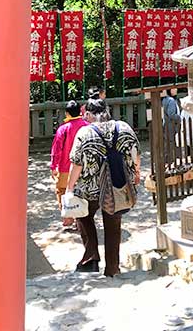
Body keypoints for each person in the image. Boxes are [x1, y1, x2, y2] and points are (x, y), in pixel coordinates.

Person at [66, 98, 140, 277]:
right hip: (117, 185)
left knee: (83, 216)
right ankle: (112, 269)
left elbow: (76, 163)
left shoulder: (84, 133)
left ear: (89, 114)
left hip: (90, 188)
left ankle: (91, 258)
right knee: (113, 223)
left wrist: (69, 188)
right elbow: (136, 154)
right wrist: (136, 173)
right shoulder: (124, 128)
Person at [51, 100, 86, 231]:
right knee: (81, 193)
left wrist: (53, 166)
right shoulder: (87, 126)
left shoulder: (63, 129)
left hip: (66, 167)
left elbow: (57, 149)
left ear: (67, 113)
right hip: (84, 167)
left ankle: (68, 216)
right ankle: (80, 220)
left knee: (62, 190)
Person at [161, 88, 181, 161]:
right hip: (171, 125)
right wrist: (180, 117)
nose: (176, 90)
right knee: (172, 142)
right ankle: (171, 159)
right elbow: (171, 114)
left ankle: (168, 158)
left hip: (166, 124)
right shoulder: (171, 100)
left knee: (168, 142)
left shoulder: (165, 99)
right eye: (173, 89)